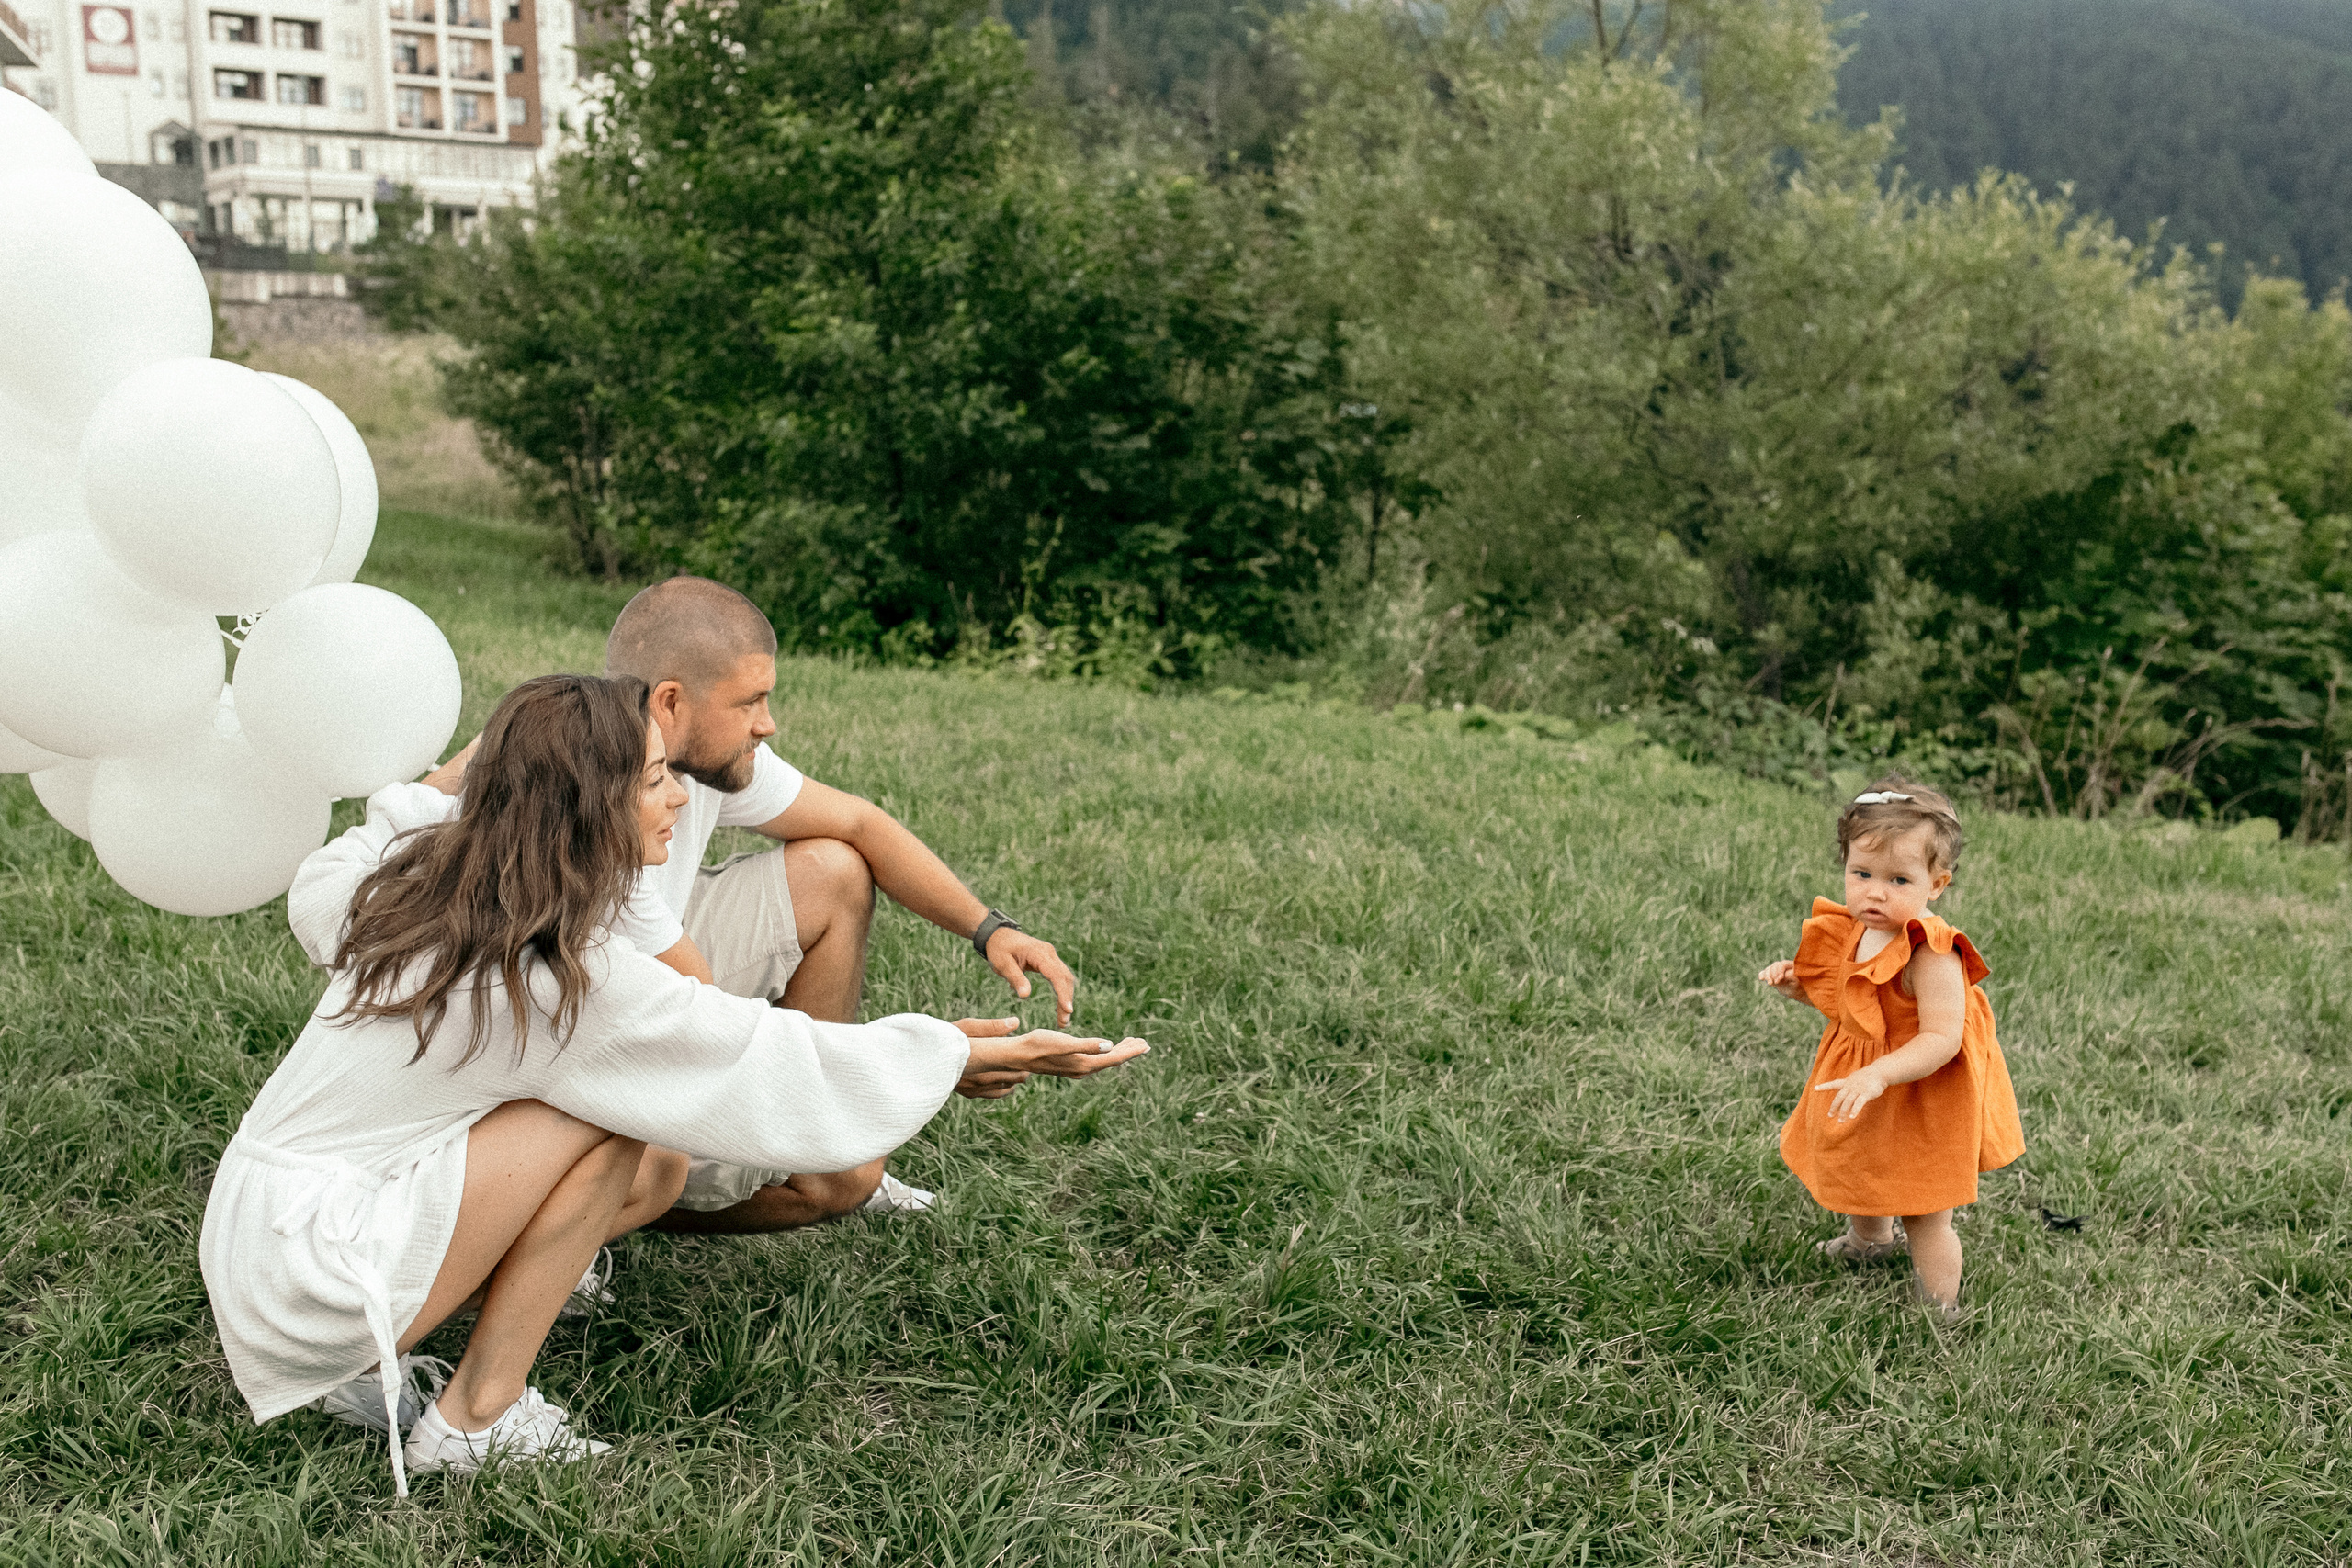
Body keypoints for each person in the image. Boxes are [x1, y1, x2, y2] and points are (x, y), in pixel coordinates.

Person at [199, 675, 1147, 1495]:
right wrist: (953, 1054)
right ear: (580, 801)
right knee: (609, 1123)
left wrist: (459, 772)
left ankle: (406, 1350)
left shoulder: (402, 884)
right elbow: (741, 1047)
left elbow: (333, 864)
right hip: (314, 1272)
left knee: (640, 1156)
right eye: (653, 780)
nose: (676, 800)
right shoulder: (560, 980)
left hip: (260, 1224)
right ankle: (475, 1421)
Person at [425, 575, 1072, 1231]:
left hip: (644, 972)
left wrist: (990, 929)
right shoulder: (574, 798)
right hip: (549, 1042)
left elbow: (859, 824)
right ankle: (567, 1220)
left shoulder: (689, 755)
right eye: (751, 701)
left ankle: (806, 1145)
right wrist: (920, 1060)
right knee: (820, 1181)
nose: (768, 722)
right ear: (671, 702)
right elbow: (716, 1025)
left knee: (834, 870)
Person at [1757, 778, 2023, 1314]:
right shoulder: (1859, 927)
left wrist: (1879, 1074)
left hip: (1924, 1088)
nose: (1875, 892)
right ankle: (1869, 1242)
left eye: (1898, 879)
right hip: (1865, 1073)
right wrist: (1800, 989)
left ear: (1936, 883)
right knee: (1863, 1160)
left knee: (1925, 1205)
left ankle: (1940, 1306)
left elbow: (1942, 1038)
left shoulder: (1932, 952)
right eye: (1862, 874)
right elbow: (1854, 1003)